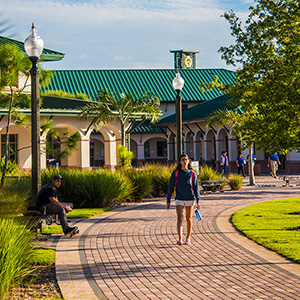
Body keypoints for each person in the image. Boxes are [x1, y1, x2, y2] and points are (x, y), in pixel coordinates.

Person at [167, 153, 201, 246]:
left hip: (189, 198)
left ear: (188, 161)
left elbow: (196, 187)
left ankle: (188, 238)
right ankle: (180, 238)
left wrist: (198, 200)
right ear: (180, 162)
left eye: (186, 159)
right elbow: (171, 186)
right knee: (180, 218)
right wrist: (168, 199)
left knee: (189, 218)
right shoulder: (176, 173)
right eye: (182, 159)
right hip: (179, 198)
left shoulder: (192, 174)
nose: (184, 161)